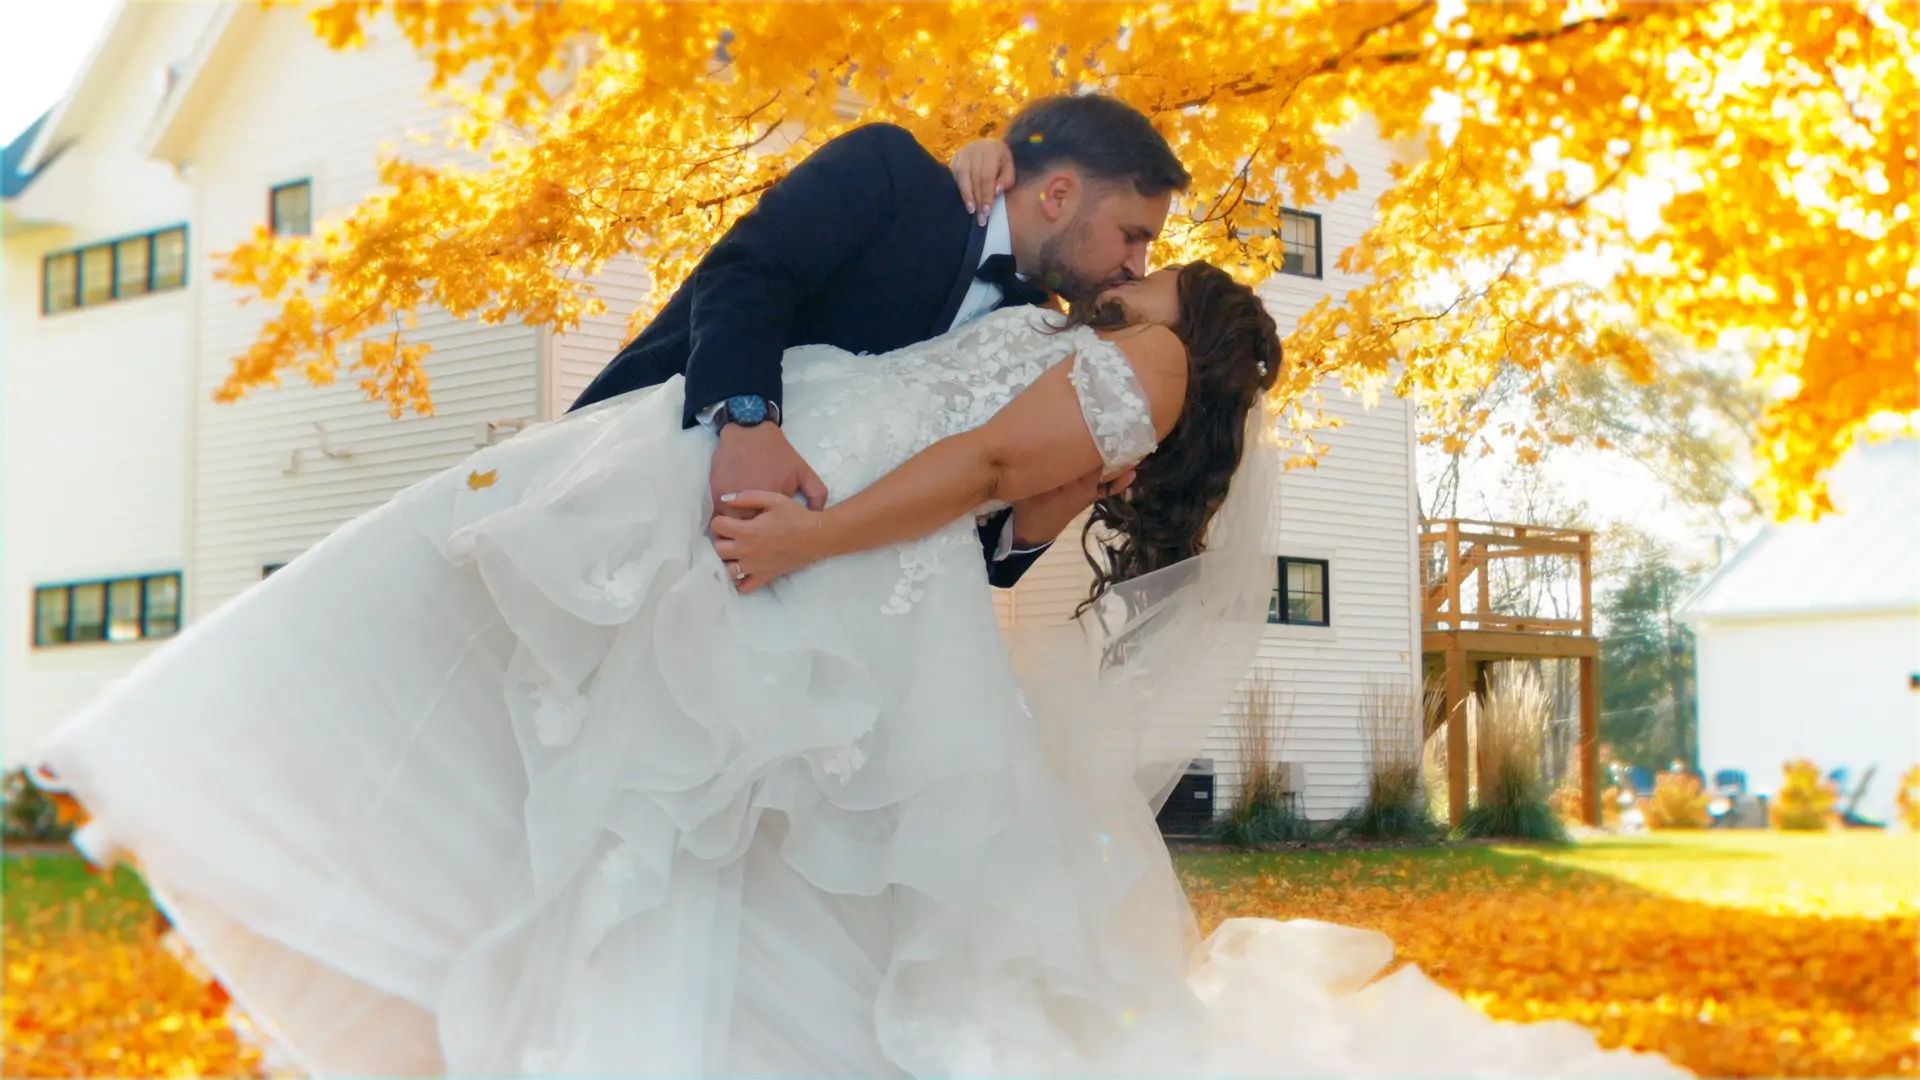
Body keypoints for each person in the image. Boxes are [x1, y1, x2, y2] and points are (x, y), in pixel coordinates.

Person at [30, 137, 1687, 1080]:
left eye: (1153, 259)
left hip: (821, 547)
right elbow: (980, 479)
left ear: (1200, 313)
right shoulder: (1087, 330)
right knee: (673, 814)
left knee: (686, 829)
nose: (1128, 266)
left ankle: (229, 815)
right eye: (1129, 236)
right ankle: (224, 817)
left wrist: (807, 548)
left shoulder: (1149, 358)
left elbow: (978, 477)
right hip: (802, 524)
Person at [570, 94, 1190, 589]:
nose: (1136, 265)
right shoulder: (891, 171)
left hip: (811, 600)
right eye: (1132, 235)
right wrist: (747, 417)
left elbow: (954, 523)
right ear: (1058, 195)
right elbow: (748, 270)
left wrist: (1030, 527)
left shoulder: (1043, 337)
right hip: (647, 482)